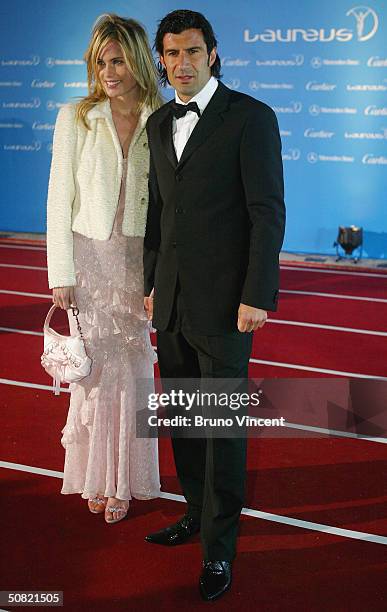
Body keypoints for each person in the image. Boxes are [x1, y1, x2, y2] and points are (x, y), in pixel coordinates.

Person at [143, 9, 285, 601]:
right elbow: (158, 214)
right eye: (171, 54)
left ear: (214, 53)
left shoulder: (251, 117)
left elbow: (266, 213)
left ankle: (220, 552)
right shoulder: (157, 122)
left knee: (221, 429)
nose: (181, 64)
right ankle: (195, 514)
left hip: (228, 306)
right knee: (183, 419)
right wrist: (152, 284)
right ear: (162, 59)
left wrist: (257, 293)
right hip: (171, 302)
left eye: (192, 52)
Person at [46, 13, 162, 524]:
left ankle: (126, 478)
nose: (109, 72)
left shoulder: (163, 114)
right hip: (89, 258)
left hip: (140, 259)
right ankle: (96, 475)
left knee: (134, 366)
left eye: (117, 61)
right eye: (100, 62)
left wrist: (164, 276)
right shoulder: (75, 115)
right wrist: (60, 273)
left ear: (137, 60)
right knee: (92, 373)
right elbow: (57, 199)